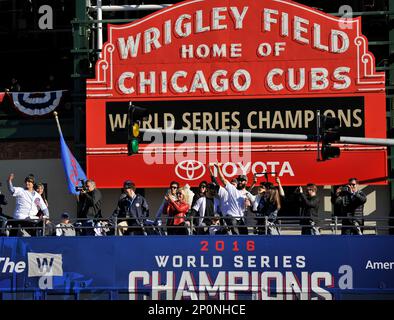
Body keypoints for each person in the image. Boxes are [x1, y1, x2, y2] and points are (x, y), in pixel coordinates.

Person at [214, 162, 248, 235]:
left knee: (245, 234)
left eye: (242, 181)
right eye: (239, 180)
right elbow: (223, 179)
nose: (241, 182)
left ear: (245, 182)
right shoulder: (232, 189)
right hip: (232, 217)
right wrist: (218, 168)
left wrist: (247, 204)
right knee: (236, 234)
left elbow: (246, 208)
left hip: (240, 218)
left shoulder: (245, 194)